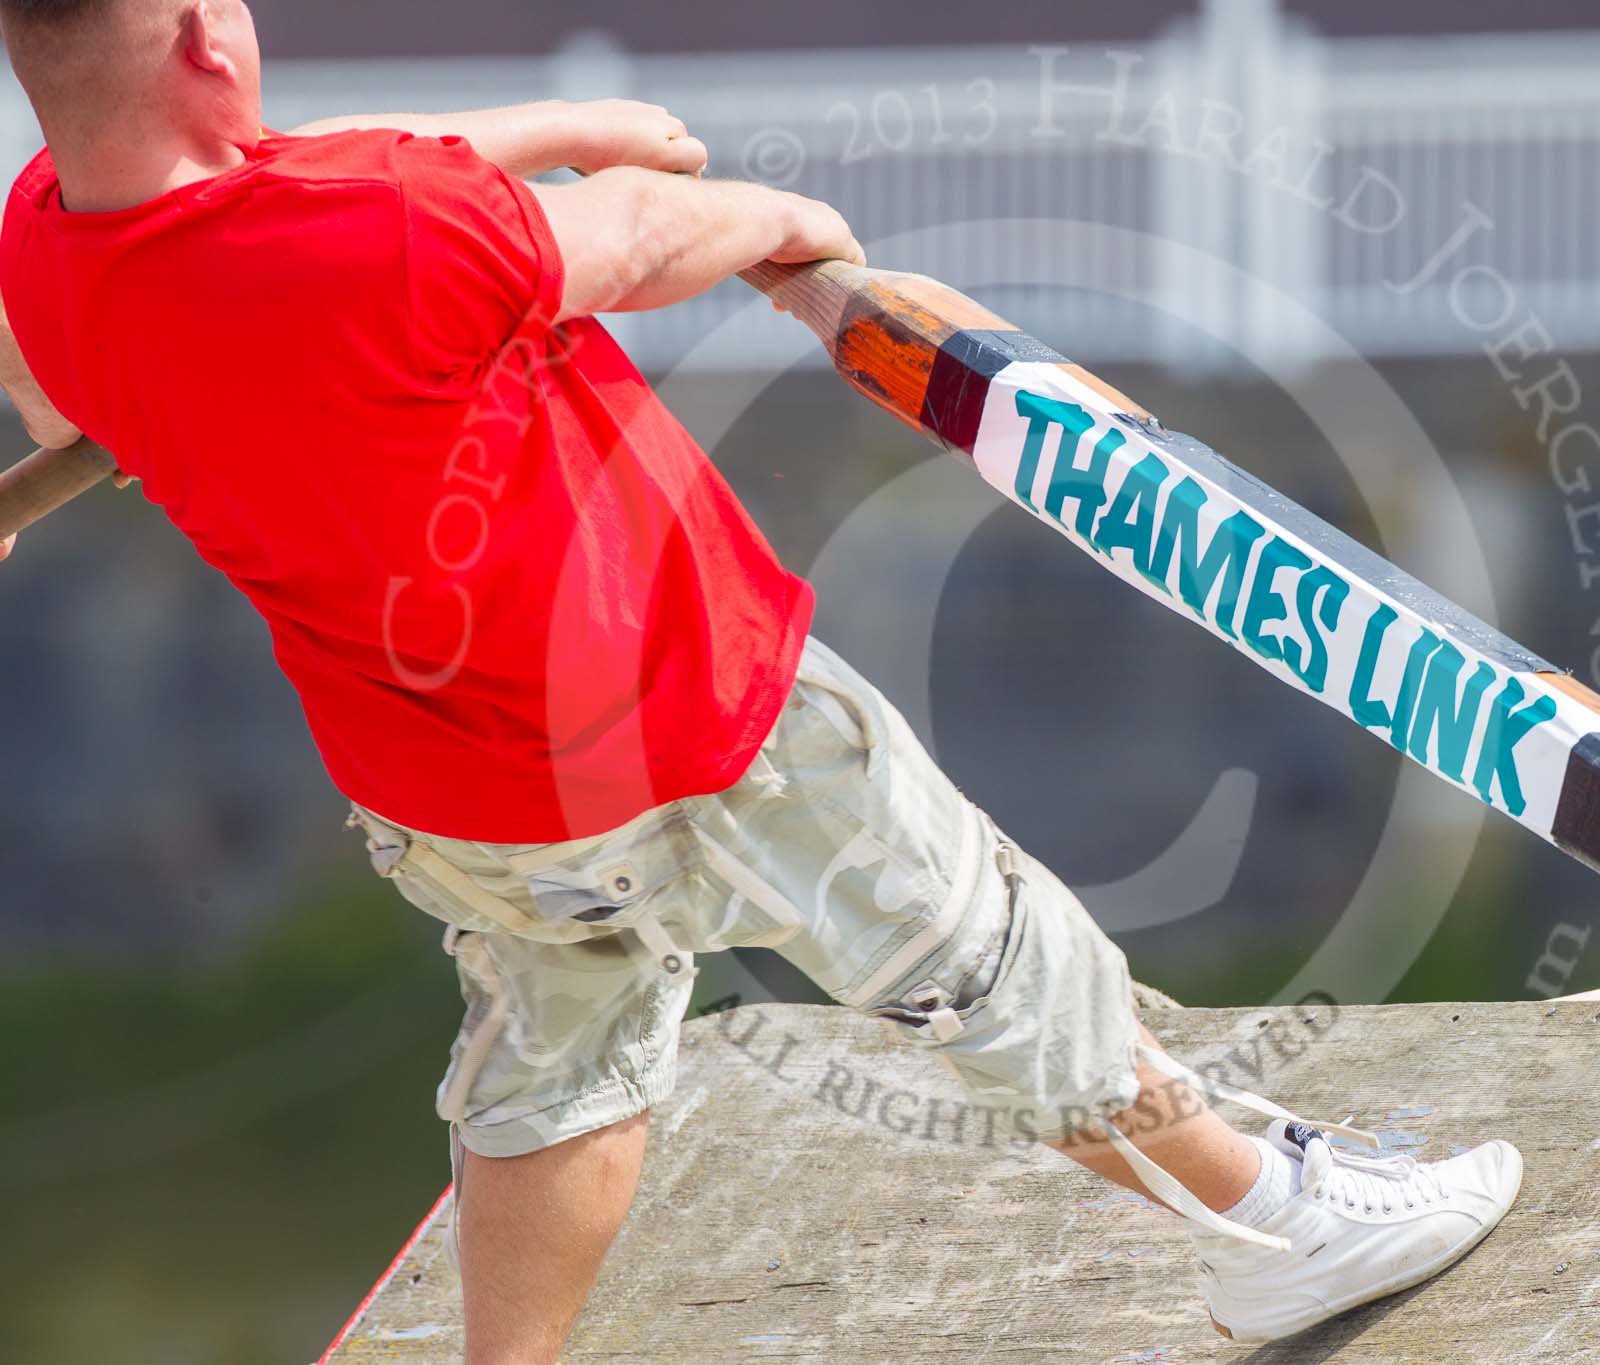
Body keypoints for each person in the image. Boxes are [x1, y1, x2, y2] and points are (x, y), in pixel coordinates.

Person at [0, 1, 1523, 1357]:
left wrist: (569, 129)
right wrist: (788, 229)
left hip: (451, 788)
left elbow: (312, 193)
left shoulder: (49, 253)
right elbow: (637, 246)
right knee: (991, 946)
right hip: (688, 708)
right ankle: (1282, 1228)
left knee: (559, 1063)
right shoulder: (390, 232)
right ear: (209, 38)